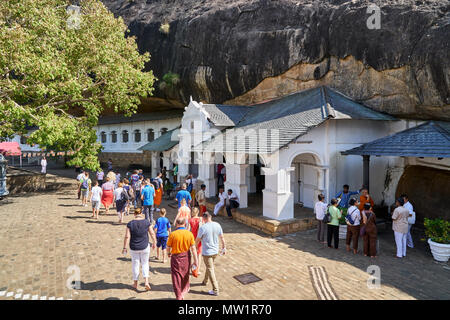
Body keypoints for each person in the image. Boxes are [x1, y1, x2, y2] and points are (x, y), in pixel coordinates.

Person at [122, 208, 157, 291]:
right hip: (144, 246)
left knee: (135, 265)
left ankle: (135, 283)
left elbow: (127, 236)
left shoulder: (130, 224)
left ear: (134, 214)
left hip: (134, 247)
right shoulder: (146, 222)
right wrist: (154, 242)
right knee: (145, 264)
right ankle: (146, 282)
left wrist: (124, 247)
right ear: (141, 213)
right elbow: (152, 233)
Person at [167, 217, 199, 300]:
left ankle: (178, 295)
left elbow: (168, 247)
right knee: (185, 275)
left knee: (176, 276)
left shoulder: (173, 234)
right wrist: (196, 261)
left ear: (177, 224)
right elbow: (193, 249)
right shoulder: (189, 234)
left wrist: (168, 253)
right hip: (186, 257)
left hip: (176, 257)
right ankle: (183, 291)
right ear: (185, 224)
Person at [195, 211, 226, 296]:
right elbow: (222, 237)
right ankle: (205, 281)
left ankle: (215, 289)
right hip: (215, 251)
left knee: (210, 269)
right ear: (210, 217)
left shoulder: (203, 228)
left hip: (207, 252)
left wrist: (195, 247)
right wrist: (224, 247)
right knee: (209, 267)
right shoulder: (217, 225)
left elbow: (197, 240)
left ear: (204, 219)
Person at [189, 207, 203, 274]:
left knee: (192, 253)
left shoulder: (190, 220)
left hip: (192, 237)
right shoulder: (200, 220)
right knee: (198, 254)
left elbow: (188, 229)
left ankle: (192, 267)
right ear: (198, 212)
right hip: (199, 238)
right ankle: (198, 269)